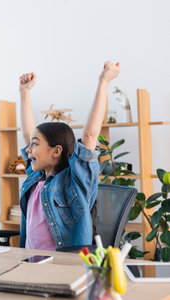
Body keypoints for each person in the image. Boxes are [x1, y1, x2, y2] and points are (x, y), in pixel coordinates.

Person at [18, 61, 120, 250]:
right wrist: (24, 93)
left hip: (62, 268)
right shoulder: (35, 179)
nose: (29, 150)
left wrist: (103, 82)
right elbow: (27, 135)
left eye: (35, 144)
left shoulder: (75, 183)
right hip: (31, 266)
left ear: (56, 151)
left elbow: (90, 135)